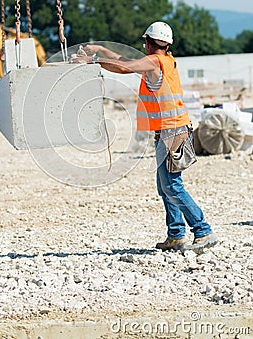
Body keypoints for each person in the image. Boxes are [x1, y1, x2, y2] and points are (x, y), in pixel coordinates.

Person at [72, 21, 217, 251]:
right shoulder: (165, 60)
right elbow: (124, 62)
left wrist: (93, 61)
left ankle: (203, 230)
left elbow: (125, 68)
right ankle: (176, 234)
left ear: (148, 43)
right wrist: (99, 48)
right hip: (170, 131)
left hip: (172, 132)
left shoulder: (154, 61)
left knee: (172, 186)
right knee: (165, 186)